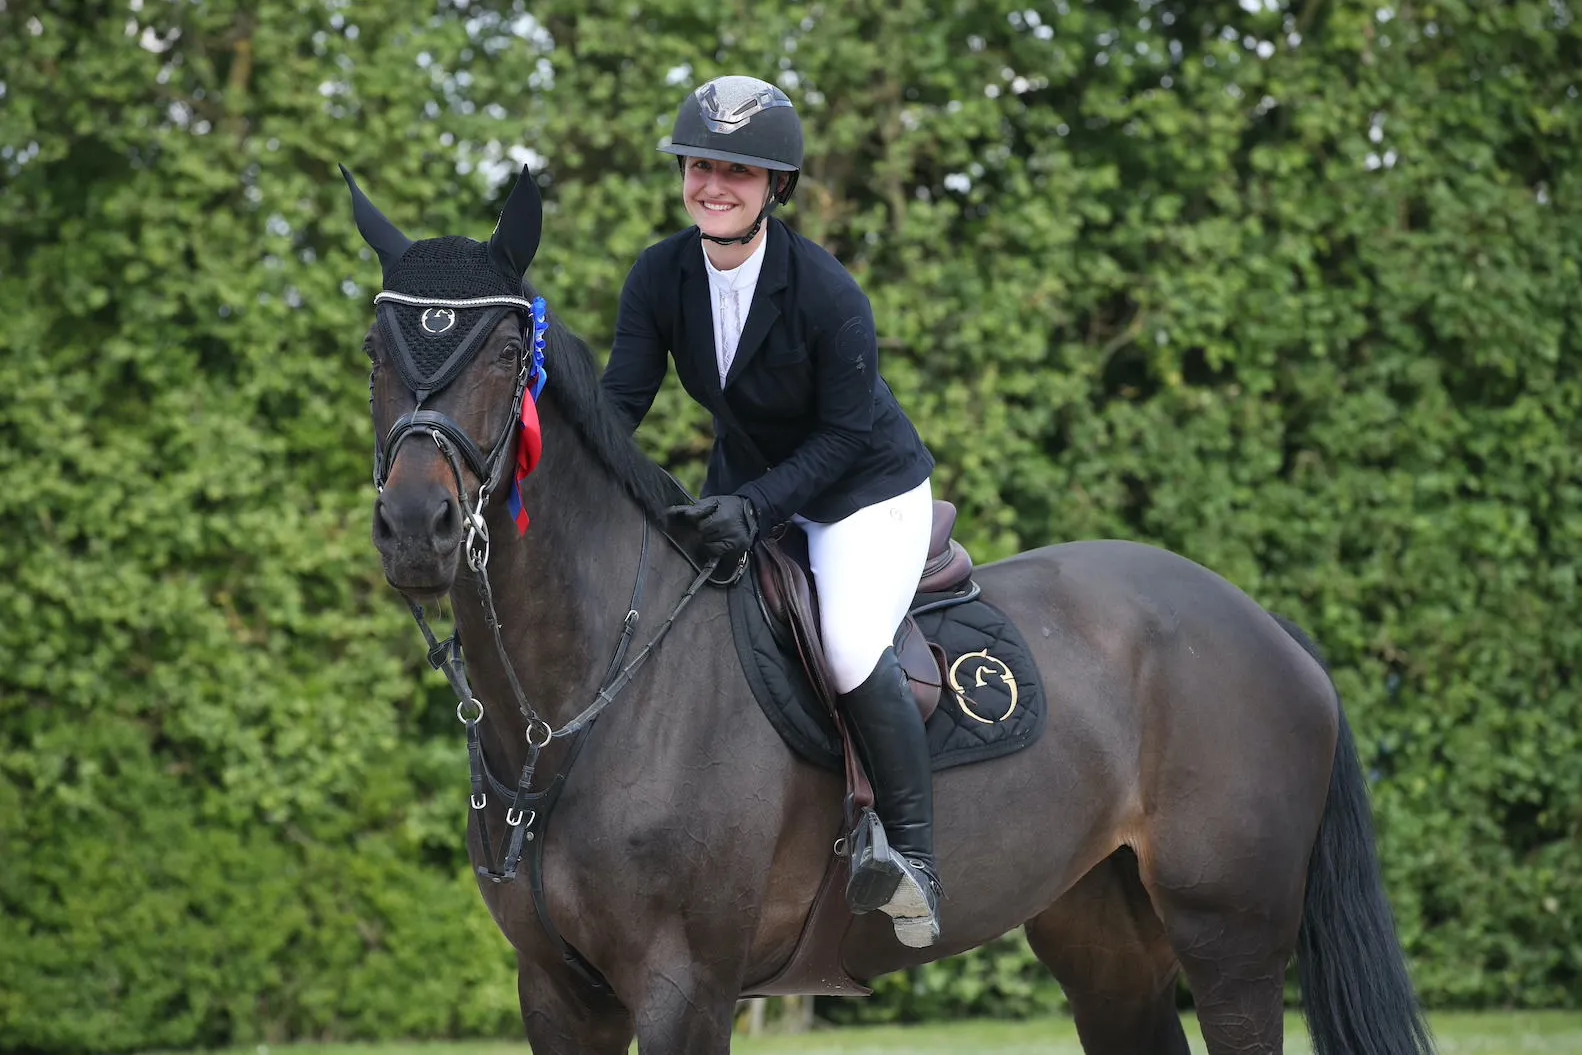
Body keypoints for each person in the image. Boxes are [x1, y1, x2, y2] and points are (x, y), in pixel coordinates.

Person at [599, 75, 943, 948]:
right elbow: (619, 407)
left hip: (865, 494)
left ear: (775, 188)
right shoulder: (661, 274)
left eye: (738, 172)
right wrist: (540, 442)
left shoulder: (828, 294)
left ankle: (913, 856)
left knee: (848, 643)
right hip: (756, 489)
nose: (713, 185)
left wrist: (751, 508)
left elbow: (843, 434)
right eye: (700, 165)